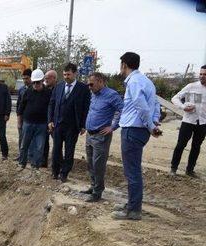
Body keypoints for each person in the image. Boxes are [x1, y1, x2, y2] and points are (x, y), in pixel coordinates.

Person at [113, 52, 162, 221]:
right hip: (138, 130)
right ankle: (132, 205)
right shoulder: (147, 81)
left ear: (124, 65)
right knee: (133, 170)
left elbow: (141, 107)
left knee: (132, 171)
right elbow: (155, 104)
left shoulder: (134, 82)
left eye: (121, 65)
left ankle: (134, 210)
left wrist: (151, 126)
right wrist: (154, 122)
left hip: (133, 130)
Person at [82, 72, 123, 202]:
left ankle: (97, 192)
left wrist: (113, 127)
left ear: (100, 81)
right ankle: (93, 186)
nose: (89, 87)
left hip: (101, 136)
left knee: (98, 164)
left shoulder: (111, 95)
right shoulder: (93, 95)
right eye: (88, 84)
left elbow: (123, 110)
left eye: (91, 84)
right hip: (90, 134)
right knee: (90, 163)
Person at [48, 63, 91, 182]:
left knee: (69, 150)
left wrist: (83, 125)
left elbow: (85, 108)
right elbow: (52, 104)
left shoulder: (83, 89)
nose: (66, 76)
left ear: (75, 73)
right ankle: (55, 171)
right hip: (57, 124)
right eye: (64, 74)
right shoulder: (59, 87)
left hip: (73, 126)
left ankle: (64, 173)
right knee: (56, 149)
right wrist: (50, 120)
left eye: (68, 74)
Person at [170, 64, 206, 177]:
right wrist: (183, 107)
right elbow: (174, 98)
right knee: (180, 145)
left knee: (196, 147)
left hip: (203, 123)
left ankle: (190, 170)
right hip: (188, 121)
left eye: (205, 74)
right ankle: (173, 169)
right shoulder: (191, 86)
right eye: (200, 74)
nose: (202, 76)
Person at [17, 69, 52, 169]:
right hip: (28, 123)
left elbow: (51, 108)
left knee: (39, 147)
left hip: (42, 124)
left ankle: (35, 166)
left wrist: (49, 123)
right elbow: (20, 108)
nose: (36, 84)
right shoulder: (28, 92)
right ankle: (22, 163)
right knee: (24, 145)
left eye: (38, 82)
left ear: (42, 81)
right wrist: (19, 122)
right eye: (34, 82)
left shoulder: (48, 93)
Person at [41, 70, 58, 167]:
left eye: (48, 78)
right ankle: (44, 161)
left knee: (56, 143)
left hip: (54, 121)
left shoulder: (59, 89)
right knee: (44, 142)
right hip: (44, 120)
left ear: (54, 78)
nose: (45, 80)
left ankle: (56, 163)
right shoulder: (43, 89)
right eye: (45, 78)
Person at [15, 68, 32, 160]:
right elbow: (18, 106)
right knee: (21, 137)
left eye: (27, 78)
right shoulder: (21, 90)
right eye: (24, 78)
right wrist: (18, 120)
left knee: (31, 138)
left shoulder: (36, 88)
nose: (25, 80)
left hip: (32, 119)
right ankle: (21, 156)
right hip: (22, 118)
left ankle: (30, 156)